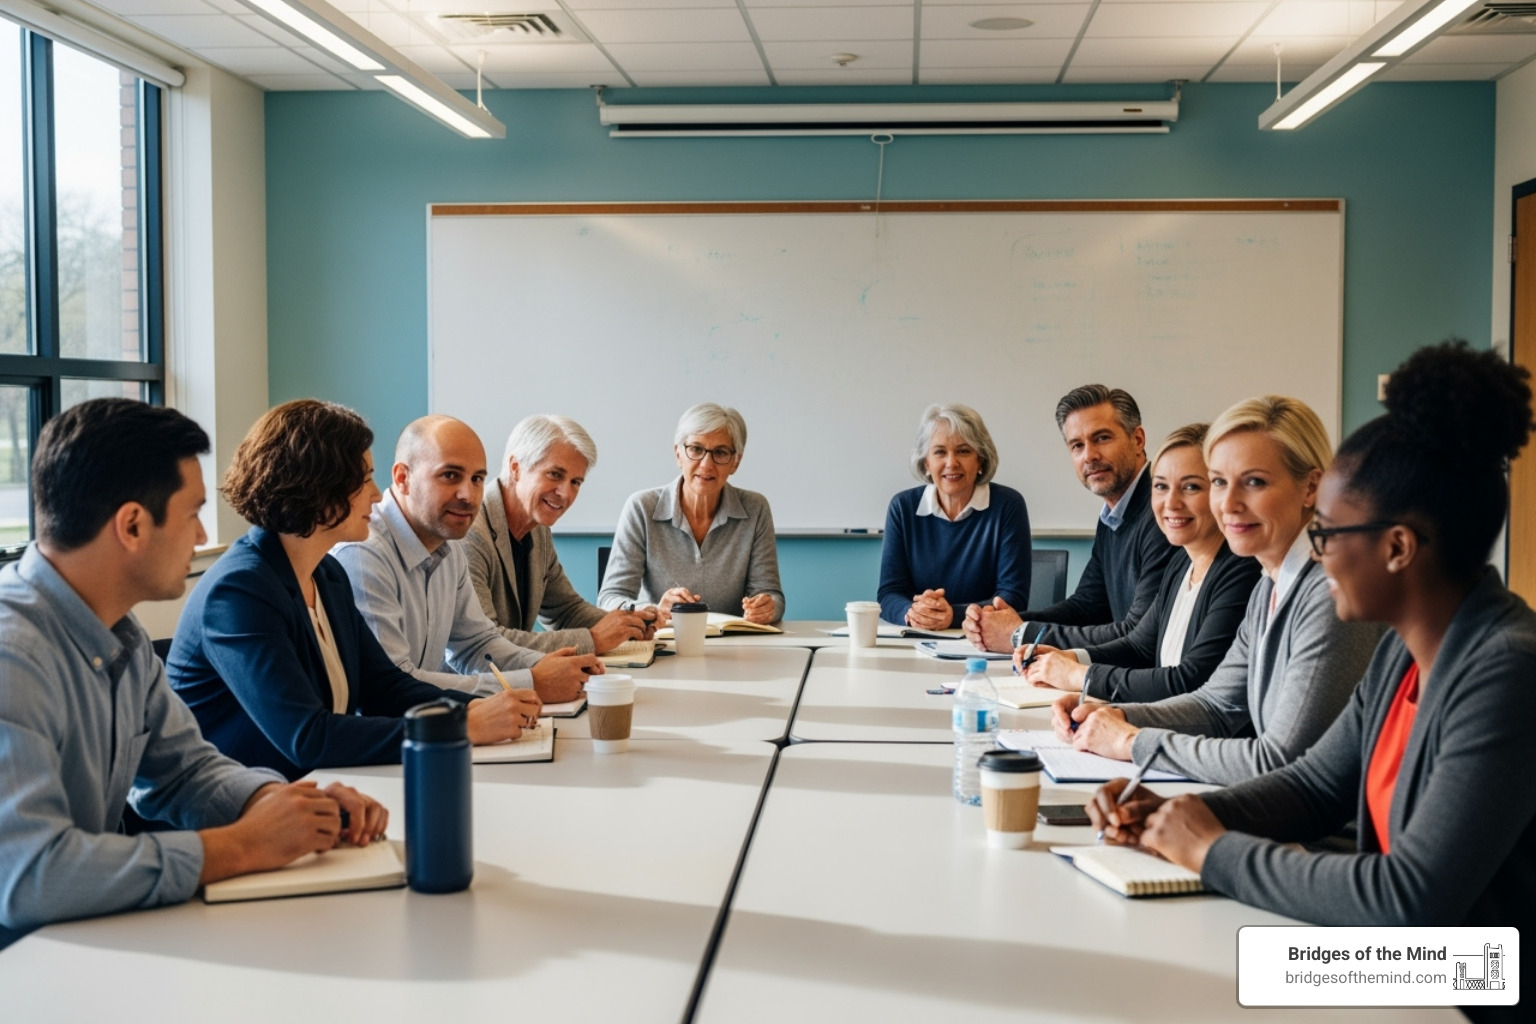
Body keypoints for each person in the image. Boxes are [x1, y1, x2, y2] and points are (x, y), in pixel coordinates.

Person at [1091, 344, 1535, 1019]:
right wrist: (1182, 816)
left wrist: (1212, 851)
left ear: (1397, 548)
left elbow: (1407, 898)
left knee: (1213, 984)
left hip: (1476, 984)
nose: (1314, 550)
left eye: (1327, 530)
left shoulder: (1505, 667)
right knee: (1171, 975)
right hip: (1425, 968)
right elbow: (1315, 784)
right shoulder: (1403, 654)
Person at [0, 399, 386, 939]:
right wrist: (243, 844)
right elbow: (31, 877)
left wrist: (285, 804)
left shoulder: (122, 637)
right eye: (192, 514)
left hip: (88, 936)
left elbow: (185, 772)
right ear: (132, 525)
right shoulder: (12, 655)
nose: (204, 538)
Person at [168, 400, 537, 780]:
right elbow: (308, 736)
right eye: (364, 480)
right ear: (318, 486)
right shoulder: (239, 591)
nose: (377, 495)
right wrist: (460, 726)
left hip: (309, 789)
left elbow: (387, 688)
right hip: (235, 813)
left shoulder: (326, 574)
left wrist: (483, 709)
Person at [1051, 394, 1383, 785]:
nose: (1228, 503)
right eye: (1219, 483)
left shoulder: (1328, 592)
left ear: (1311, 487)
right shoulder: (1269, 584)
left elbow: (1278, 760)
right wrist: (1115, 715)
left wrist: (1133, 741)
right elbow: (1215, 704)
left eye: (1254, 482)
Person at [334, 415, 602, 703]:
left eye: (477, 479)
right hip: (394, 737)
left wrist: (548, 667)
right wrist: (532, 681)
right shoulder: (363, 555)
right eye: (450, 475)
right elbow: (391, 685)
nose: (468, 494)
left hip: (434, 724)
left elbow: (476, 644)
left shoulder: (447, 543)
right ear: (402, 478)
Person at [1021, 423, 1262, 703]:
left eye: (1191, 487)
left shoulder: (1242, 570)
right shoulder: (1181, 562)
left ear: (1221, 491)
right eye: (1160, 486)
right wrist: (1067, 656)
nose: (1170, 503)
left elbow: (1190, 680)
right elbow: (1138, 647)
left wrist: (1078, 676)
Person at [963, 384, 1174, 651]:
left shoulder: (1165, 512)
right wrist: (1003, 623)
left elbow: (1138, 631)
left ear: (1138, 440)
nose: (1090, 456)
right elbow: (1087, 605)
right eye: (1077, 445)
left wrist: (1019, 633)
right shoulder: (1114, 513)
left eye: (1102, 438)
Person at [465, 414, 656, 654]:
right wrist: (594, 639)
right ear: (516, 468)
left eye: (576, 482)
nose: (565, 493)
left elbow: (565, 610)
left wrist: (628, 625)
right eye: (555, 474)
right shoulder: (470, 533)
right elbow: (486, 645)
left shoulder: (538, 529)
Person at [598, 403, 784, 623]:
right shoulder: (642, 507)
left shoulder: (755, 508)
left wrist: (767, 607)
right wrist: (654, 609)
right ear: (678, 454)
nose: (706, 465)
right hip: (662, 642)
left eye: (720, 453)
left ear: (735, 462)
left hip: (732, 645)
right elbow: (609, 599)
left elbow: (771, 594)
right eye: (696, 449)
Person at [877, 404, 1031, 630]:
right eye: (940, 452)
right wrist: (912, 613)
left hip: (983, 642)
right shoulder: (903, 508)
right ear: (926, 462)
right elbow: (889, 593)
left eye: (963, 451)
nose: (951, 463)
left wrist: (954, 615)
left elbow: (1013, 598)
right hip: (916, 638)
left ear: (980, 459)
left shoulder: (1008, 505)